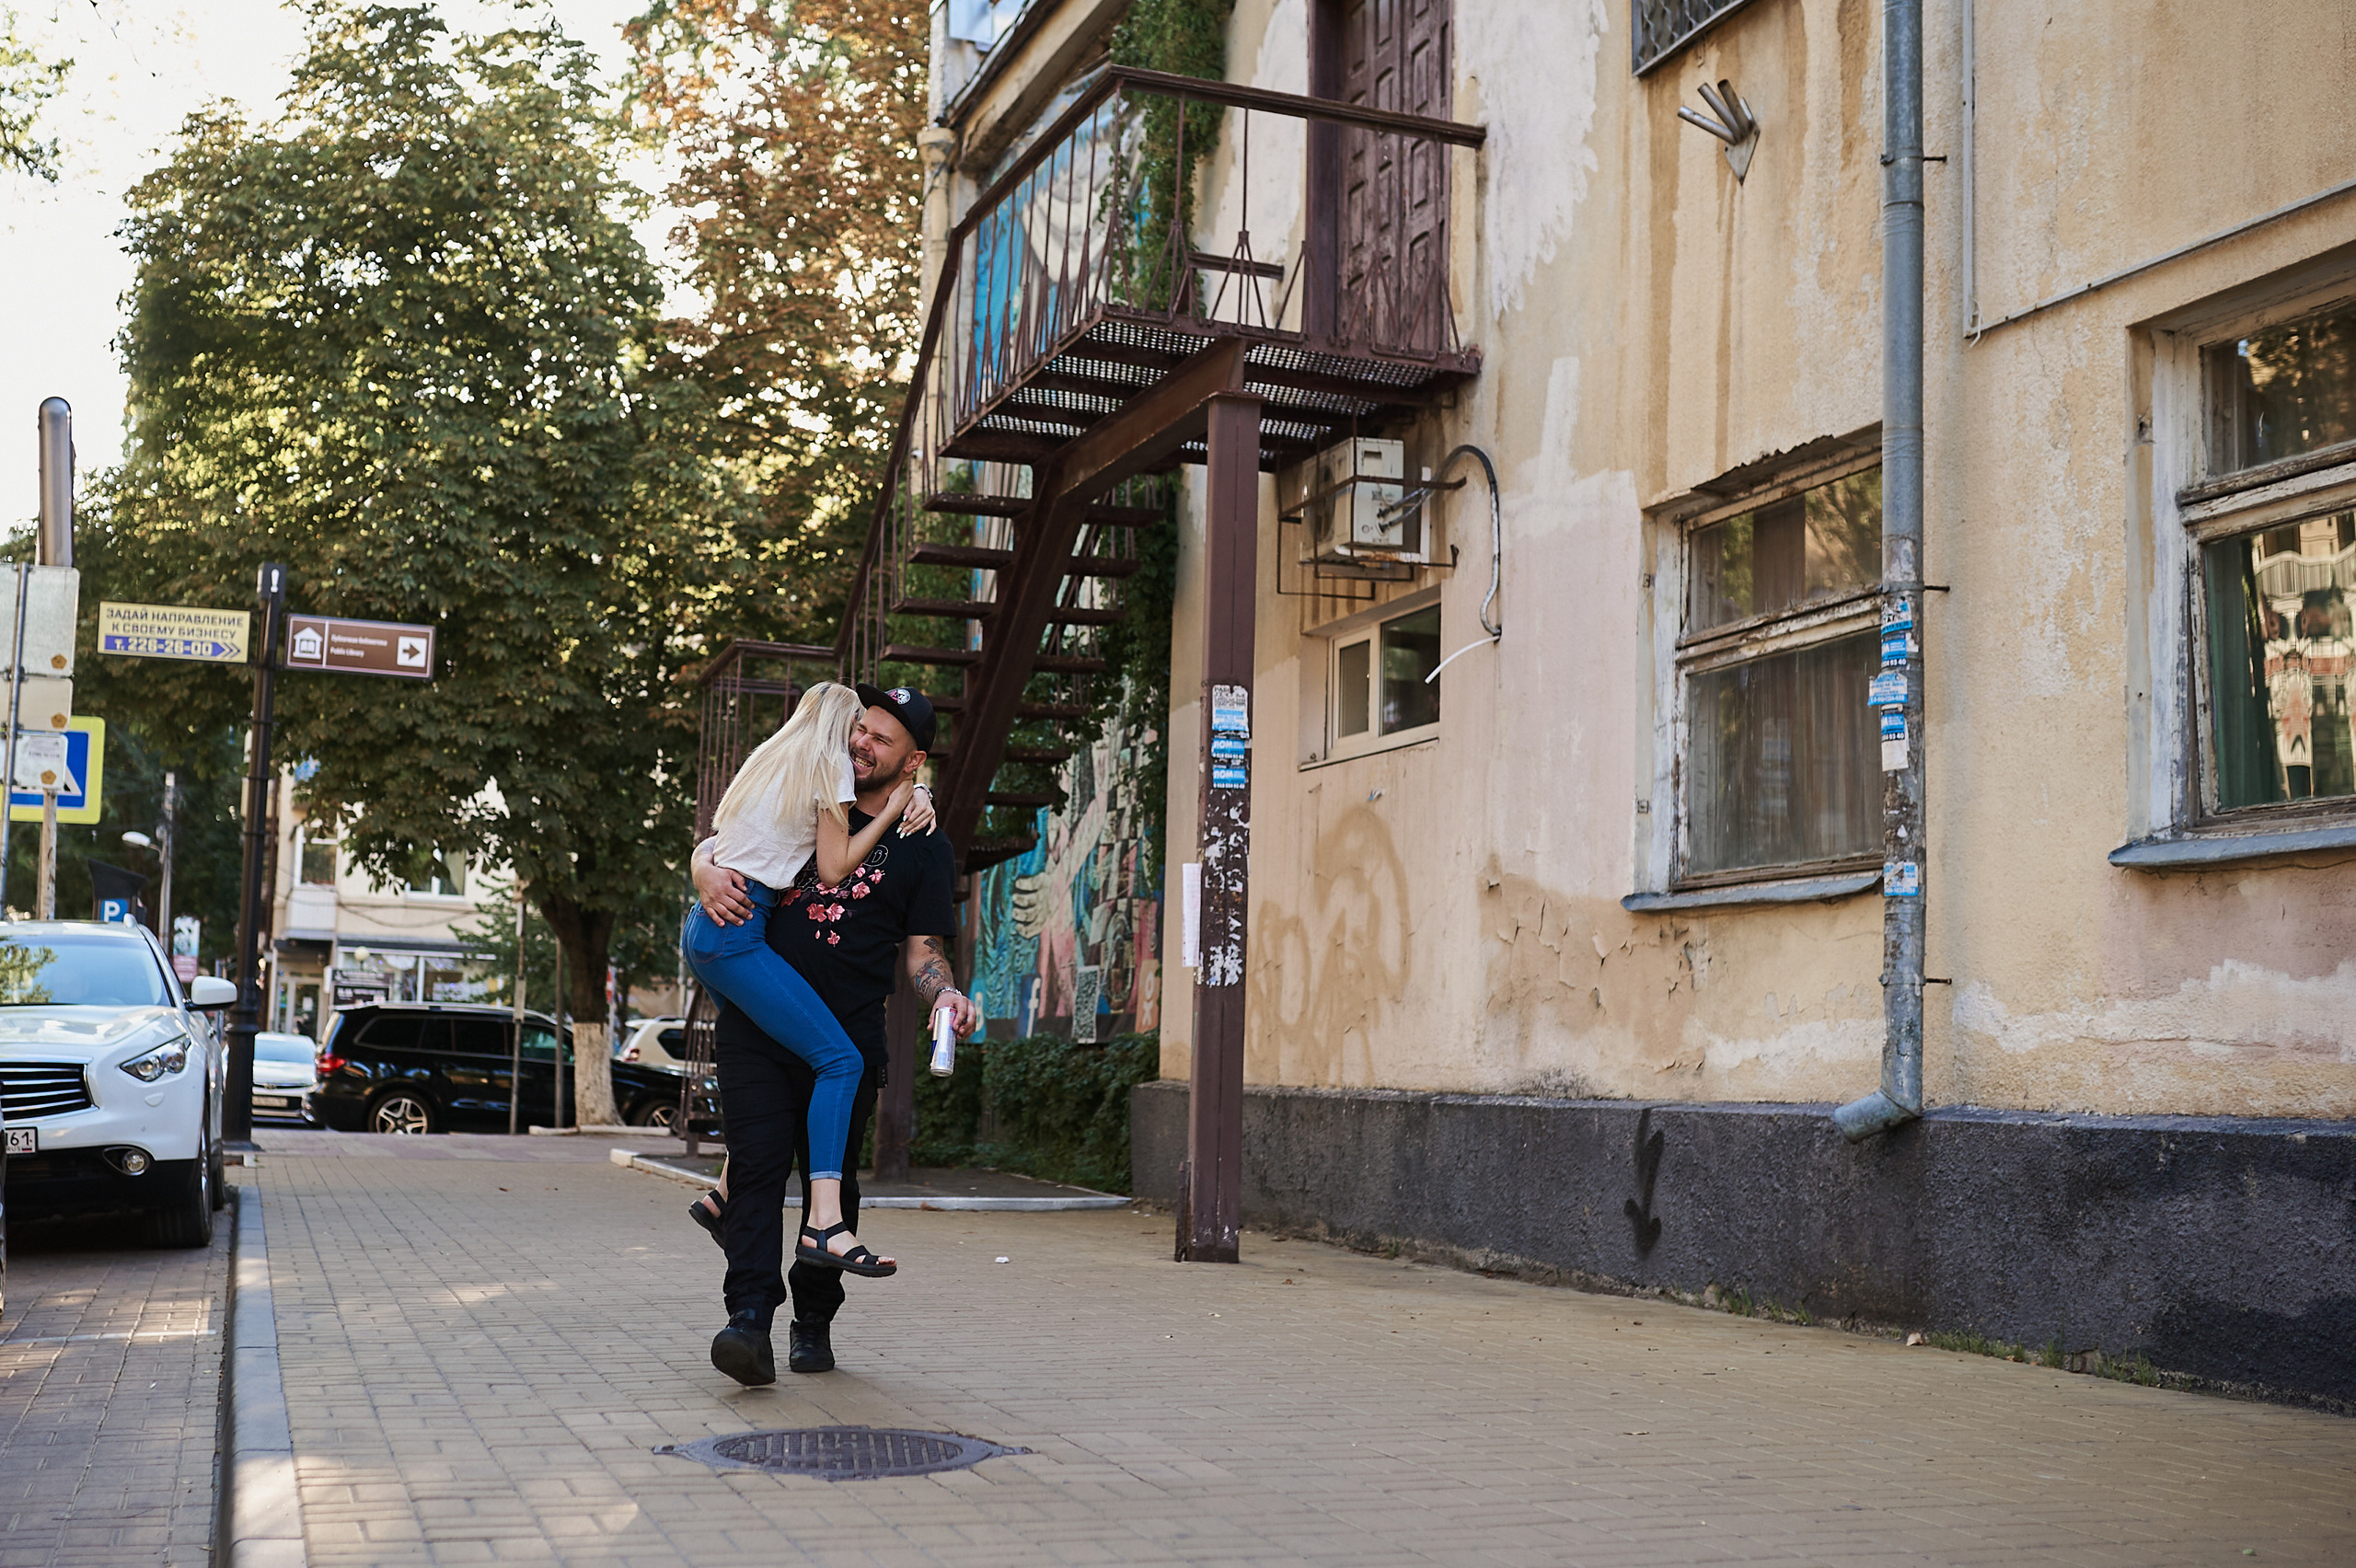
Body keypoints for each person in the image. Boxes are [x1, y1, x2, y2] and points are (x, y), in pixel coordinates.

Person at [690, 685, 980, 1386]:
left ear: (915, 759)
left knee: (836, 1184)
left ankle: (812, 1320)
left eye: (882, 739)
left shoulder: (923, 842)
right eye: (863, 731)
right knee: (756, 1171)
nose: (864, 744)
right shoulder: (811, 785)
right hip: (758, 1031)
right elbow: (730, 845)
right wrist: (701, 870)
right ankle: (748, 1320)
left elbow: (922, 951)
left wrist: (944, 992)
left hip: (848, 1027)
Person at [680, 680, 921, 1291]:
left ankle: (721, 1199)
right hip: (737, 932)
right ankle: (824, 1224)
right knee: (840, 1060)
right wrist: (893, 811)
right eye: (857, 729)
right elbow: (837, 867)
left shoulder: (769, 761)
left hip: (708, 933)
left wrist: (700, 866)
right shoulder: (829, 771)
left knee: (785, 1055)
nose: (860, 741)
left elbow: (716, 839)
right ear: (841, 728)